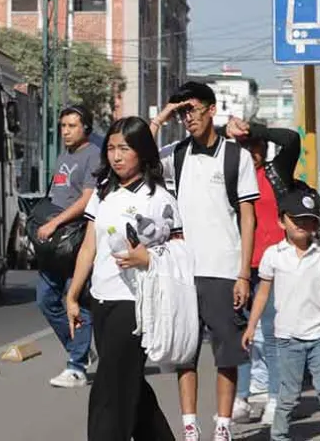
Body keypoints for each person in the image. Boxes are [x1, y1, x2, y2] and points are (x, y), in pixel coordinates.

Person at [150, 82, 258, 441]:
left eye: (191, 110)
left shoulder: (235, 156)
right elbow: (139, 152)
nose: (187, 118)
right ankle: (190, 427)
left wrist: (243, 273)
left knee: (227, 354)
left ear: (212, 109)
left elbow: (247, 216)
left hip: (224, 270)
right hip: (184, 271)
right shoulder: (176, 153)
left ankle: (223, 427)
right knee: (186, 354)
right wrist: (163, 114)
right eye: (181, 113)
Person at [66, 116, 179, 441]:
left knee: (108, 389)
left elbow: (180, 253)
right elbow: (89, 245)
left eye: (124, 149)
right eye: (111, 149)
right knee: (130, 385)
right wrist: (73, 295)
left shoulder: (159, 199)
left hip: (137, 305)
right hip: (102, 302)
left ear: (142, 152)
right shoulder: (103, 193)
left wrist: (148, 258)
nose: (116, 156)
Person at [243, 184, 320, 441]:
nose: (303, 225)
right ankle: (280, 435)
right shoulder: (273, 255)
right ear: (282, 221)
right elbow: (261, 294)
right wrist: (251, 326)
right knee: (288, 395)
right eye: (297, 220)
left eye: (309, 221)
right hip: (287, 338)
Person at [220, 116, 299, 424]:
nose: (251, 150)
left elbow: (291, 139)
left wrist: (254, 130)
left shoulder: (274, 172)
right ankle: (241, 396)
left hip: (274, 266)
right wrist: (227, 131)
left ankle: (276, 399)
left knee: (272, 331)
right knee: (239, 331)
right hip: (238, 266)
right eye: (243, 145)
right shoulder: (229, 177)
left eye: (255, 145)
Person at [35, 106, 101, 388]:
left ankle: (76, 366)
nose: (65, 131)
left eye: (72, 126)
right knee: (45, 299)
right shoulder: (65, 155)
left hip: (77, 239)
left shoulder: (93, 155)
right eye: (63, 126)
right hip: (56, 240)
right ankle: (81, 351)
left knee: (79, 302)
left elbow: (87, 199)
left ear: (85, 127)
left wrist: (55, 223)